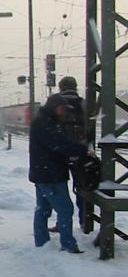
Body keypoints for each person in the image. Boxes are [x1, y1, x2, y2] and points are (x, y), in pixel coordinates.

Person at [29, 93, 88, 253]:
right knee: (65, 209)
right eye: (63, 108)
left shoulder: (44, 121)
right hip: (51, 175)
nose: (64, 112)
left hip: (42, 173)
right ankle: (68, 245)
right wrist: (83, 150)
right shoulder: (46, 124)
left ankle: (42, 243)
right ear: (55, 107)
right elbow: (59, 145)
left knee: (42, 209)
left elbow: (58, 144)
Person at [48, 76, 88, 231]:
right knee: (82, 189)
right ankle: (85, 222)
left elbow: (47, 126)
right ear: (75, 87)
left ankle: (62, 223)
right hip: (79, 152)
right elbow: (89, 125)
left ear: (61, 87)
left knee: (60, 190)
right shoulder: (83, 103)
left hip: (59, 153)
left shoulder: (54, 103)